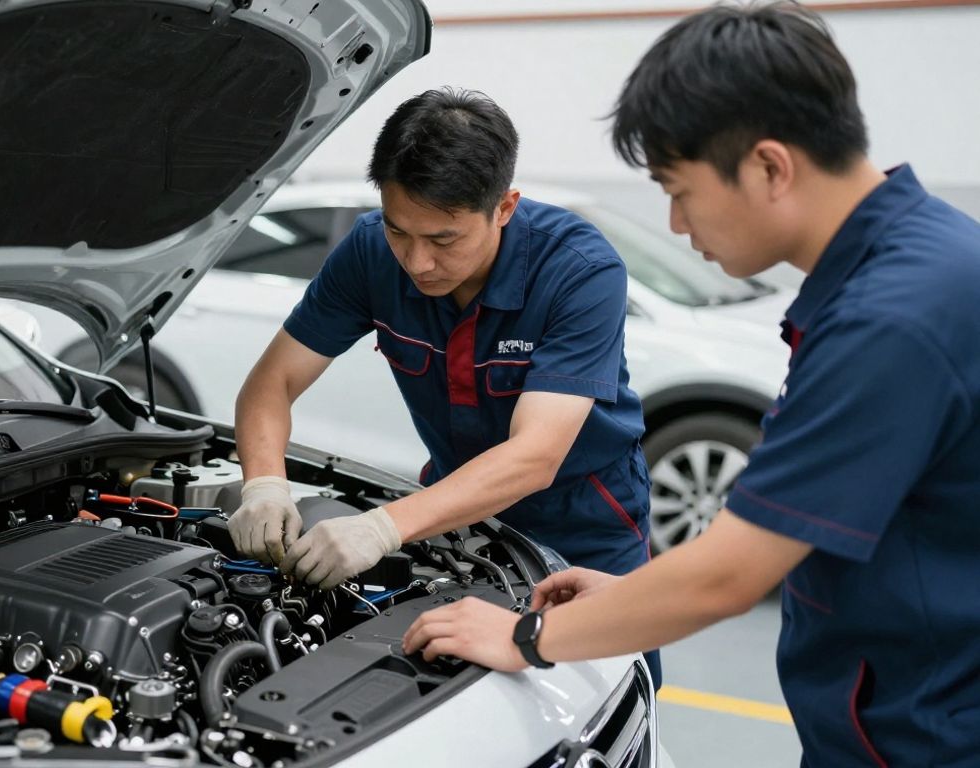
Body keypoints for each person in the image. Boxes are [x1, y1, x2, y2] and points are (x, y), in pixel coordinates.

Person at [401, 4, 980, 766]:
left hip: (928, 734)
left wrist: (524, 637)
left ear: (770, 167)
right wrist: (628, 601)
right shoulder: (923, 262)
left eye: (679, 189)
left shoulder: (890, 318)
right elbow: (792, 523)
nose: (675, 223)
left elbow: (732, 574)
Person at [229, 87, 660, 683]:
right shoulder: (368, 253)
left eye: (443, 240)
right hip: (460, 525)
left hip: (586, 529)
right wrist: (265, 485)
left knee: (608, 690)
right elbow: (270, 384)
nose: (417, 262)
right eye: (399, 231)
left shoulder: (579, 271)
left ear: (504, 207)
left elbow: (534, 456)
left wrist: (382, 526)